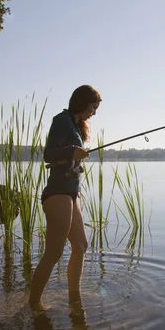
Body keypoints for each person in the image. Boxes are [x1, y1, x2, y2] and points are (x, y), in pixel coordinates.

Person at [29, 85, 102, 311]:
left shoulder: (76, 126)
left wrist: (75, 153)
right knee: (54, 252)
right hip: (58, 192)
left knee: (80, 245)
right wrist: (72, 150)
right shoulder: (62, 120)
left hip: (71, 193)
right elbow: (49, 154)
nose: (94, 112)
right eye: (93, 107)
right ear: (82, 102)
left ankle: (74, 296)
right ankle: (34, 303)